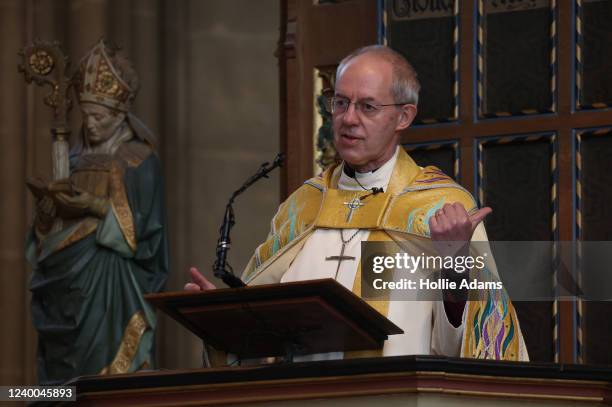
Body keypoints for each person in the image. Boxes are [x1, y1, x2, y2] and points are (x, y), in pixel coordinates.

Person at [186, 45, 528, 362]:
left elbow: (476, 340)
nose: (349, 119)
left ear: (404, 117)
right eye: (340, 102)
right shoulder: (303, 205)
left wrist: (454, 268)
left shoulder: (441, 208)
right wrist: (221, 316)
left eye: (367, 106)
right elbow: (261, 328)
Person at [26, 39, 169, 384]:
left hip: (111, 285)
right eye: (86, 115)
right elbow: (43, 238)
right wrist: (46, 214)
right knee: (61, 383)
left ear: (121, 115)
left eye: (99, 116)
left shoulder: (139, 161)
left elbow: (148, 235)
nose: (90, 124)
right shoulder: (72, 160)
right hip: (65, 283)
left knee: (103, 380)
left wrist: (91, 205)